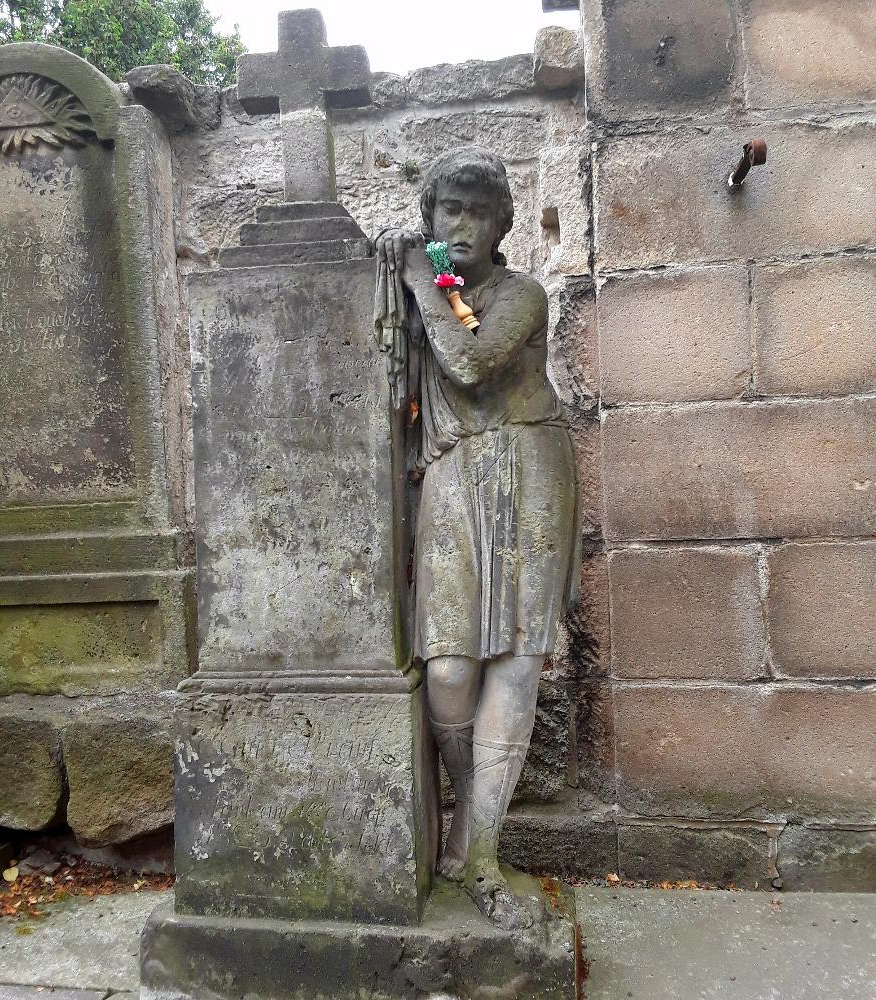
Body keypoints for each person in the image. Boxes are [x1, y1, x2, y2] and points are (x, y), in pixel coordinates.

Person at [375, 147, 580, 930]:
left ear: (501, 224)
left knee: (518, 661)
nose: (458, 225)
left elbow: (468, 362)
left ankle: (484, 852)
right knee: (450, 668)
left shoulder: (520, 294)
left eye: (475, 212)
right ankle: (465, 814)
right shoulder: (431, 291)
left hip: (529, 463)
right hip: (454, 473)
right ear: (429, 219)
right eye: (445, 211)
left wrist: (420, 278)